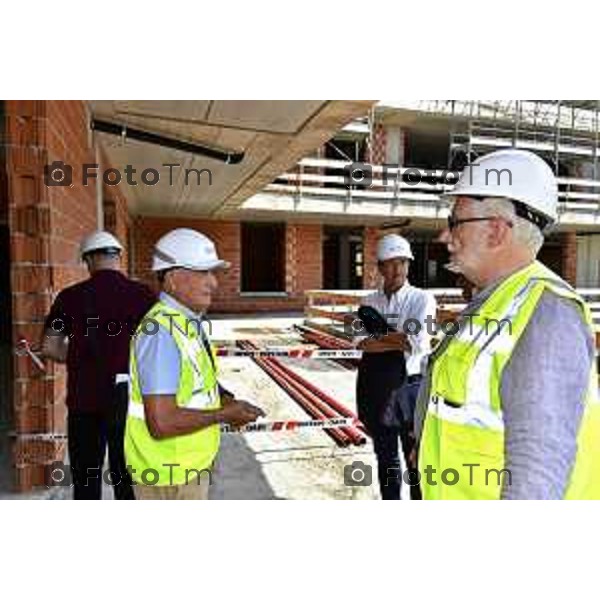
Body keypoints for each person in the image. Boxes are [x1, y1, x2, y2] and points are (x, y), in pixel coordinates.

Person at [415, 148, 600, 499]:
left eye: (455, 222)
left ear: (497, 231)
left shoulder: (546, 314)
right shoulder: (494, 302)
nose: (444, 237)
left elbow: (537, 473)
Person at [124, 228, 265, 500]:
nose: (213, 283)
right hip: (168, 475)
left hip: (187, 467)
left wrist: (224, 398)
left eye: (213, 273)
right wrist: (224, 415)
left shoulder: (186, 323)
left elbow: (198, 380)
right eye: (204, 273)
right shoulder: (161, 333)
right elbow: (161, 423)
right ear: (173, 280)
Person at [40, 231, 156, 500]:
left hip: (84, 402)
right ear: (118, 257)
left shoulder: (69, 298)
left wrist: (80, 355)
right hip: (130, 403)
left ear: (88, 260)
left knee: (86, 481)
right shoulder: (143, 295)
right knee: (127, 483)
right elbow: (157, 349)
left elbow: (49, 347)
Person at [355, 234, 437, 500]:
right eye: (391, 263)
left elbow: (414, 342)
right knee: (386, 456)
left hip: (411, 387)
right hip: (378, 388)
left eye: (403, 261)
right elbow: (360, 343)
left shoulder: (422, 299)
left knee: (415, 457)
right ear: (380, 267)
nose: (398, 268)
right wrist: (396, 338)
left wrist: (379, 338)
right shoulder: (368, 303)